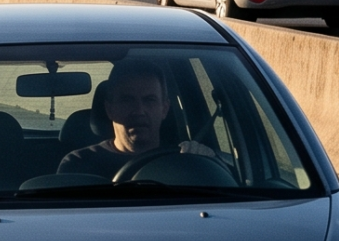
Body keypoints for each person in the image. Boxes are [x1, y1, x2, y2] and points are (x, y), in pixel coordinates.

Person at [57, 58, 218, 179]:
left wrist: (206, 164)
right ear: (109, 109)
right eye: (127, 100)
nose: (139, 111)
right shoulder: (78, 166)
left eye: (149, 100)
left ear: (164, 109)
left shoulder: (185, 160)